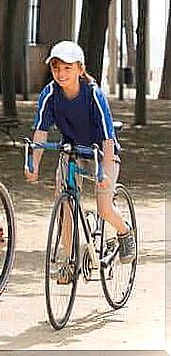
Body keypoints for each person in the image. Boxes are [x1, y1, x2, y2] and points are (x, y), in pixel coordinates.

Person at [24, 40, 136, 283]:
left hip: (101, 153)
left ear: (79, 69)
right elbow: (41, 132)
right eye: (56, 68)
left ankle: (125, 231)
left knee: (104, 207)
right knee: (64, 204)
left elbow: (108, 137)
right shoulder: (50, 93)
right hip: (72, 150)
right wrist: (33, 164)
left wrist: (105, 173)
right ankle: (70, 260)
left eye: (67, 68)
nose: (61, 74)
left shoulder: (93, 93)